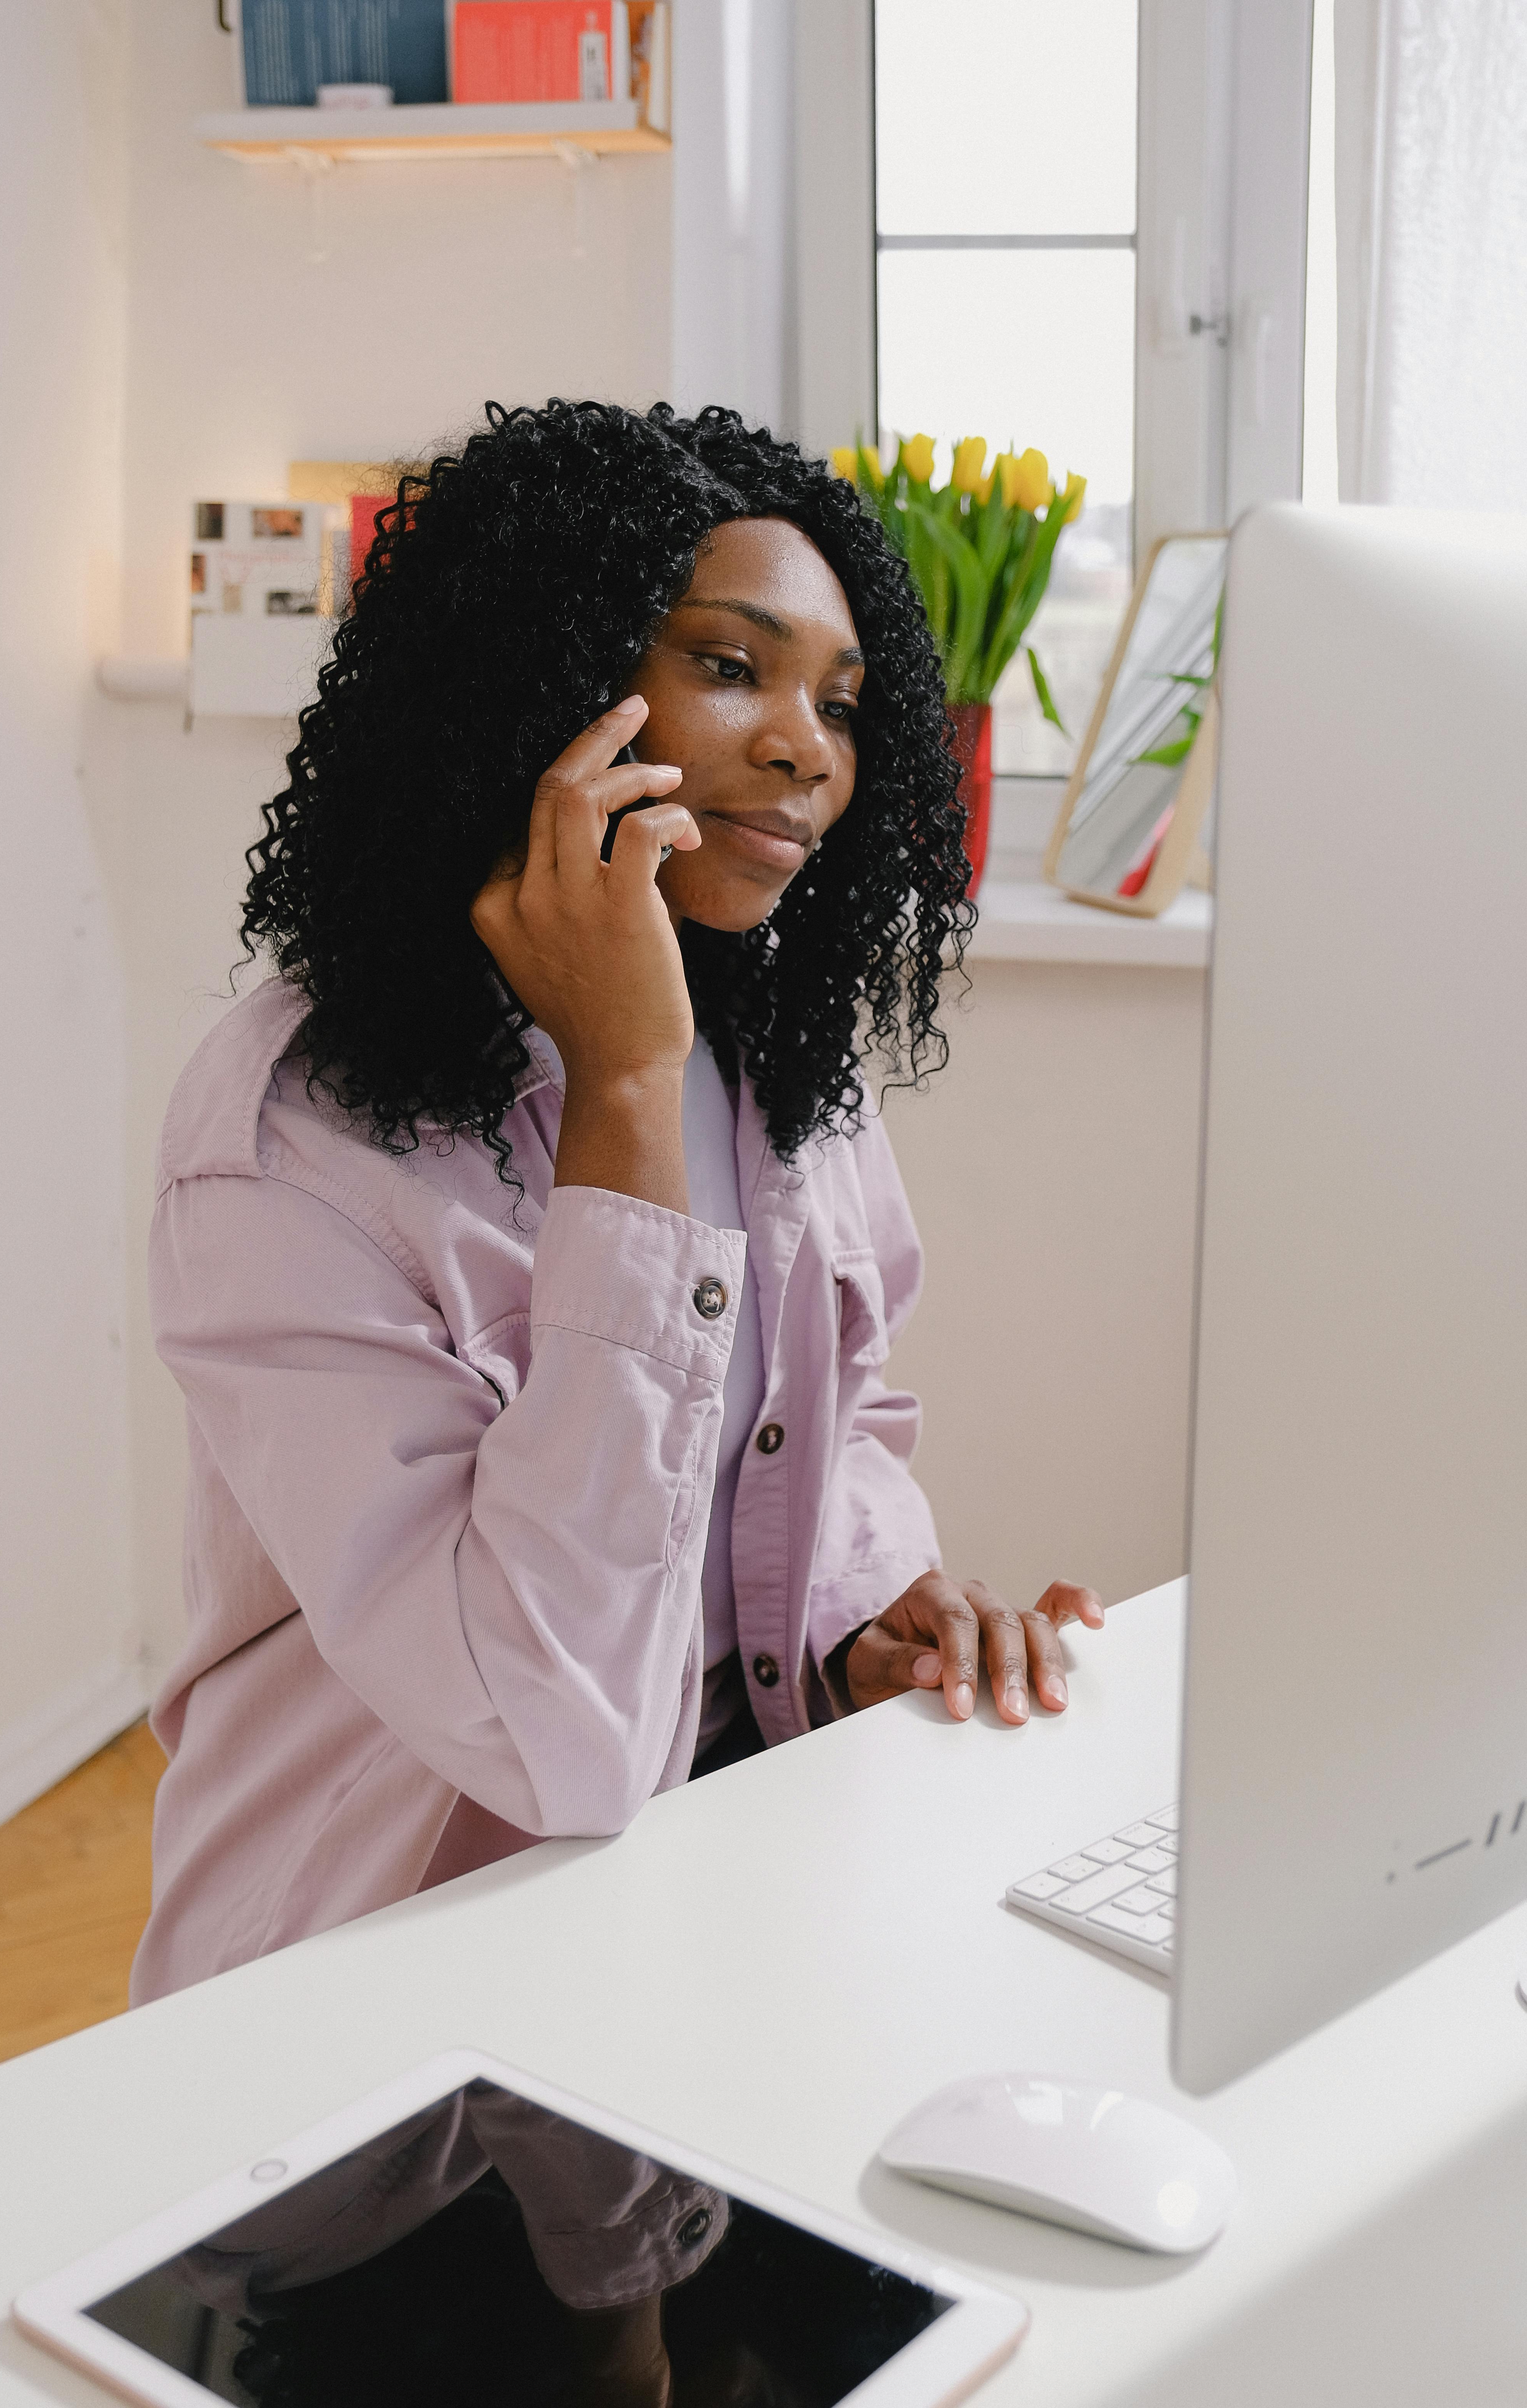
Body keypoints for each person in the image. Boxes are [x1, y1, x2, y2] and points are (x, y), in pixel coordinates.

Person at [131, 401, 1103, 2006]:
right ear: (542, 684)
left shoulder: (774, 1058)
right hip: (367, 1987)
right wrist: (625, 1097)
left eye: (840, 704)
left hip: (700, 1902)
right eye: (731, 665)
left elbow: (837, 1420)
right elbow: (552, 1736)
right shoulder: (295, 1140)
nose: (806, 748)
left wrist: (861, 1617)